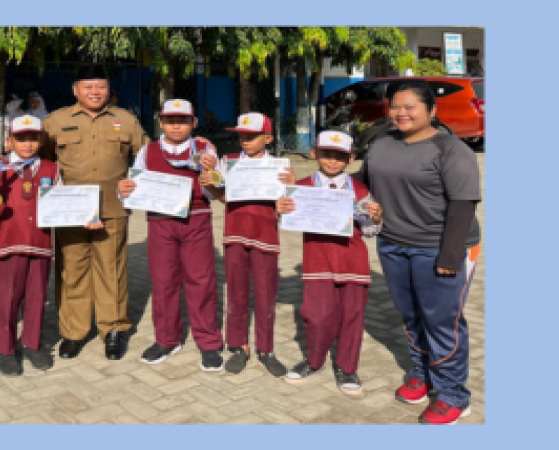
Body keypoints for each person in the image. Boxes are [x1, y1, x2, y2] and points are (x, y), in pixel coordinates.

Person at [353, 80, 481, 424]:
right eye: (396, 106)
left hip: (441, 247)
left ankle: (454, 395)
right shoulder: (381, 143)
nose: (401, 113)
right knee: (410, 315)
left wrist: (450, 257)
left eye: (410, 107)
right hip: (393, 243)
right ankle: (423, 373)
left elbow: (463, 205)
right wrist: (314, 187)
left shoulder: (452, 150)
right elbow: (360, 183)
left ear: (431, 111)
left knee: (442, 321)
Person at [41, 63, 149, 360]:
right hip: (69, 212)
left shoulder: (125, 120)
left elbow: (147, 157)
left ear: (108, 90)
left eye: (100, 86)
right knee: (72, 270)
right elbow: (43, 163)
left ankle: (113, 330)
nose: (94, 92)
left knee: (111, 270)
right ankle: (73, 332)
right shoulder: (55, 122)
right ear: (75, 90)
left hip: (112, 208)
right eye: (87, 87)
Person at [117, 99, 225, 371]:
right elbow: (134, 188)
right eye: (170, 121)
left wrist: (212, 177)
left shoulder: (206, 149)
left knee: (201, 281)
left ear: (194, 123)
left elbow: (218, 192)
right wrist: (124, 190)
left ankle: (209, 342)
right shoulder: (148, 151)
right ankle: (167, 339)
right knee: (163, 281)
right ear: (161, 123)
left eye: (183, 120)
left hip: (197, 220)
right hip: (160, 222)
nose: (176, 126)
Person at [276, 130, 383, 397]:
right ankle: (314, 361)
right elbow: (287, 222)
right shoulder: (301, 187)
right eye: (326, 154)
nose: (332, 161)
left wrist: (377, 217)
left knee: (352, 317)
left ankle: (347, 367)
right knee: (317, 316)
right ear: (314, 154)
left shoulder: (359, 189)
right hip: (318, 262)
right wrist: (280, 210)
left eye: (340, 156)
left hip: (353, 262)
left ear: (351, 158)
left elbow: (369, 230)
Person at [200, 112, 291, 376]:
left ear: (268, 138)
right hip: (235, 235)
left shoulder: (280, 167)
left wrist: (292, 189)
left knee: (265, 296)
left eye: (252, 137)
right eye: (241, 136)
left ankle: (266, 348)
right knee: (236, 295)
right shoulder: (228, 163)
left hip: (266, 237)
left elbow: (289, 204)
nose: (245, 141)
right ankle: (238, 346)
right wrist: (210, 184)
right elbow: (224, 198)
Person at [0, 114, 66, 376]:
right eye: (21, 139)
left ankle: (31, 343)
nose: (27, 144)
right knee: (7, 299)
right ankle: (5, 350)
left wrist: (84, 216)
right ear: (10, 141)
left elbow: (63, 202)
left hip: (40, 242)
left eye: (33, 138)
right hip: (8, 241)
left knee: (37, 297)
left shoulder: (52, 168)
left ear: (40, 140)